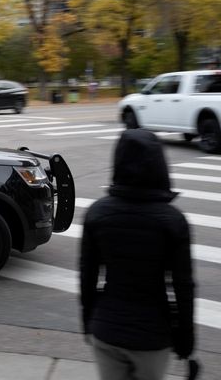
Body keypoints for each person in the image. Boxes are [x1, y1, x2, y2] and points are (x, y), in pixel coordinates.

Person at [80, 129, 195, 380]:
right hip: (152, 335)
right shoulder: (173, 221)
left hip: (107, 328)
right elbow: (183, 286)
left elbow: (87, 277)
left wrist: (88, 322)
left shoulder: (97, 214)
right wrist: (186, 339)